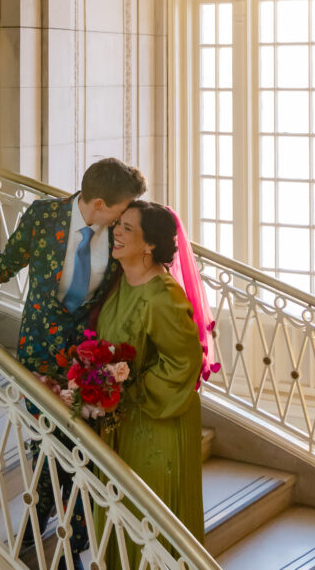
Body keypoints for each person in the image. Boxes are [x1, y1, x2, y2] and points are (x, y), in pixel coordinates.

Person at [0, 157, 147, 568]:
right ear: (99, 203)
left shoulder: (119, 237)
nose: (124, 218)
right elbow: (4, 265)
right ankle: (66, 540)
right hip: (37, 359)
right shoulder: (43, 217)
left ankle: (58, 537)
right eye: (120, 210)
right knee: (46, 444)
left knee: (77, 450)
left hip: (86, 365)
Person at [94, 200, 214, 568]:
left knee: (148, 513)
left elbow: (184, 362)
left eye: (128, 228)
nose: (116, 232)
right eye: (118, 224)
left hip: (157, 423)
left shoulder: (162, 295)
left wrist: (127, 388)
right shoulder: (122, 283)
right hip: (124, 419)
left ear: (149, 245)